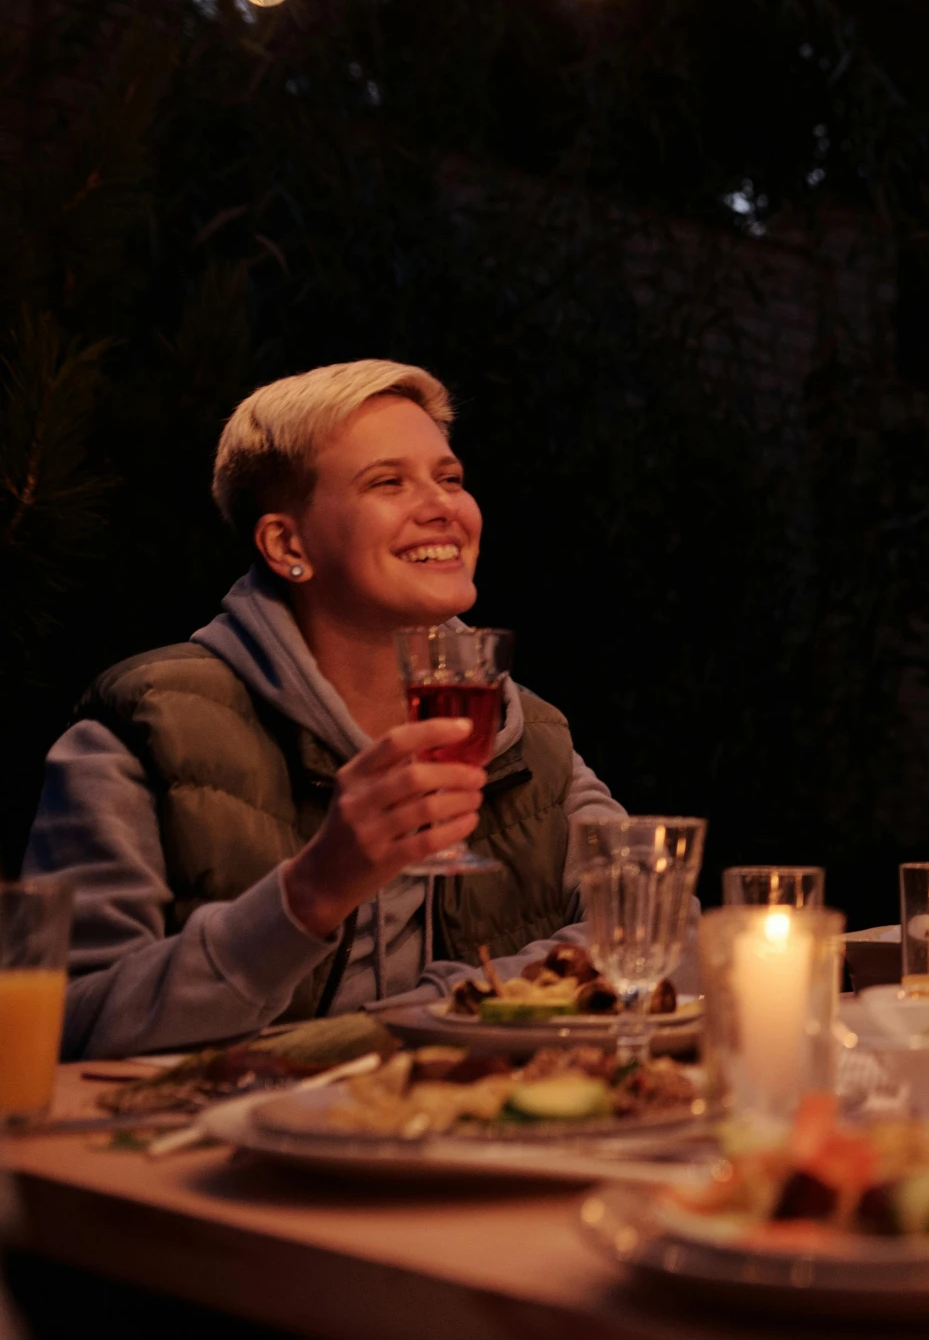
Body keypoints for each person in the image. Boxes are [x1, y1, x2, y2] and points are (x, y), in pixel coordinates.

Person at [24, 360, 626, 1058]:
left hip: (455, 1146)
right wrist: (309, 893)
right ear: (287, 545)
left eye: (450, 477)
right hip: (209, 1160)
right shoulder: (144, 730)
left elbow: (653, 935)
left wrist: (436, 1009)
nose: (442, 506)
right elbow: (66, 1024)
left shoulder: (529, 738)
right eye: (388, 481)